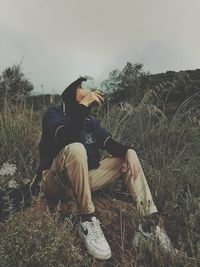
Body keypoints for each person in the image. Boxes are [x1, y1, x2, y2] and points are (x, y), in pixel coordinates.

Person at [37, 77, 173, 260]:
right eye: (82, 88)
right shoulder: (53, 114)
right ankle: (87, 219)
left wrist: (129, 150)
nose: (88, 91)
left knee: (126, 158)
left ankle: (149, 225)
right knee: (77, 148)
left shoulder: (90, 121)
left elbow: (109, 144)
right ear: (70, 92)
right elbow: (65, 137)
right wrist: (84, 105)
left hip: (82, 179)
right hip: (55, 181)